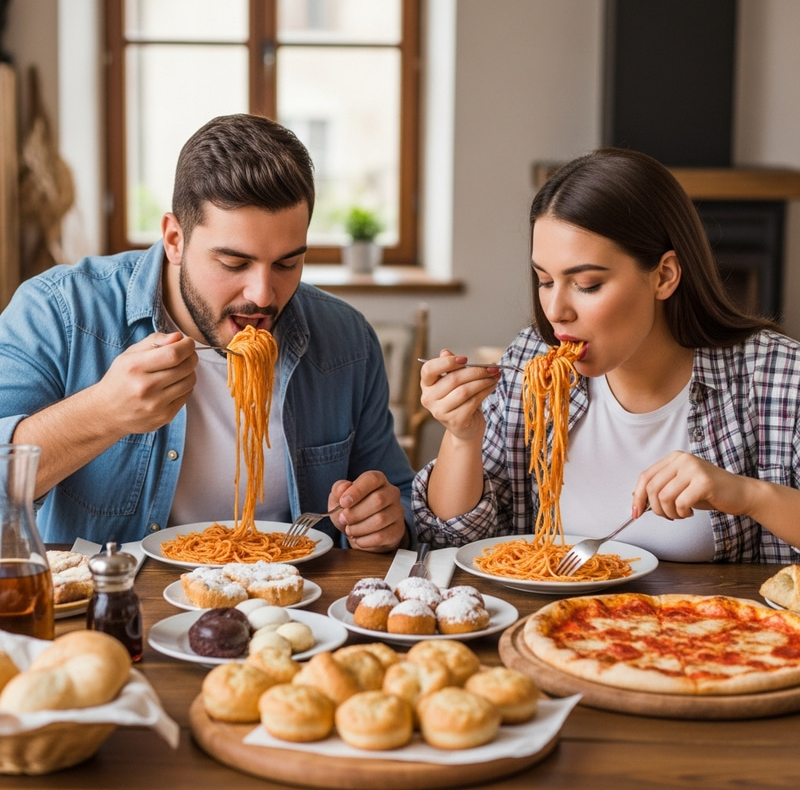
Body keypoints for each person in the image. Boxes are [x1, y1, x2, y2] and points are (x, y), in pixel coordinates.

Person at [0, 113, 414, 551]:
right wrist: (103, 411)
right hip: (117, 609)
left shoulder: (346, 340)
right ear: (174, 239)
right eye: (234, 263)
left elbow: (400, 503)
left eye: (287, 263)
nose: (262, 295)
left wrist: (386, 521)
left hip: (288, 610)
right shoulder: (58, 310)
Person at [413, 147, 800, 563]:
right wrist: (462, 434)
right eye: (545, 281)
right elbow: (449, 538)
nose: (556, 311)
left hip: (716, 626)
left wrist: (748, 495)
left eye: (587, 284)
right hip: (554, 623)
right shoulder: (531, 360)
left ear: (664, 276)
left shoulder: (776, 375)